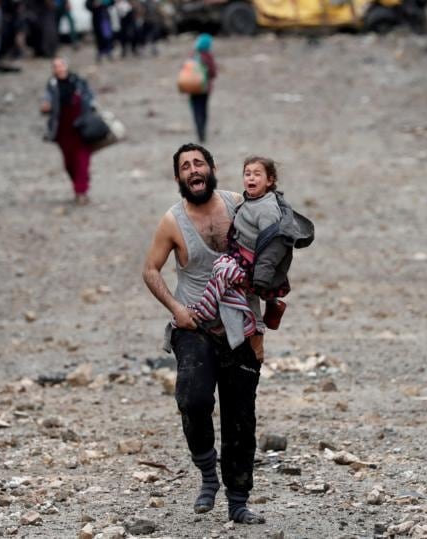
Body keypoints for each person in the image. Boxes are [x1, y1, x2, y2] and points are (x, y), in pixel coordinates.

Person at [141, 143, 265, 525]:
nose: (193, 170)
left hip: (240, 327)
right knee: (193, 400)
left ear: (212, 168)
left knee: (240, 417)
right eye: (185, 167)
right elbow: (150, 270)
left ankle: (238, 501)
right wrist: (177, 310)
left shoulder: (238, 206)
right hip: (195, 325)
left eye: (199, 163)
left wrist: (260, 327)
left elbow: (272, 253)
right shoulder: (172, 221)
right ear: (178, 178)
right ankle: (207, 474)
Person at [188, 157, 313, 357]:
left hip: (253, 265)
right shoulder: (251, 200)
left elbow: (274, 245)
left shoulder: (267, 209)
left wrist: (261, 276)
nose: (251, 178)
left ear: (270, 181)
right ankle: (262, 316)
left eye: (257, 174)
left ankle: (206, 312)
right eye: (247, 174)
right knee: (240, 293)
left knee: (222, 270)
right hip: (241, 256)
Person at [40, 58, 95, 205]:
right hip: (62, 129)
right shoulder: (52, 85)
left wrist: (87, 108)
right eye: (56, 66)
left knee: (82, 159)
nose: (59, 69)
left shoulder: (78, 81)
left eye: (61, 65)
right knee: (69, 162)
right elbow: (46, 100)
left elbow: (90, 97)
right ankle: (80, 183)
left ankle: (81, 190)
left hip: (81, 127)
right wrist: (45, 107)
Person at [189, 33, 216, 143]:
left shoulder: (192, 55)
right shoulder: (208, 56)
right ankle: (203, 132)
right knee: (203, 109)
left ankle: (199, 130)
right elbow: (213, 72)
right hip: (204, 88)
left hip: (192, 88)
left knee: (195, 109)